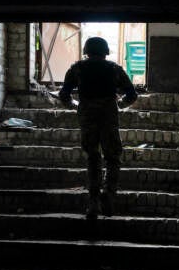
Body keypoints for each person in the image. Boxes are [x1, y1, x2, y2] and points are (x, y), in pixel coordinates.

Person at [58, 36, 138, 219]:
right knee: (113, 158)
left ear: (87, 51)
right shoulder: (114, 69)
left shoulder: (77, 69)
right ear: (105, 51)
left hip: (87, 116)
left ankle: (93, 204)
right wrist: (119, 105)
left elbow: (64, 96)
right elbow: (132, 95)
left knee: (93, 159)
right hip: (109, 116)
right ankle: (109, 199)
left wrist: (76, 105)